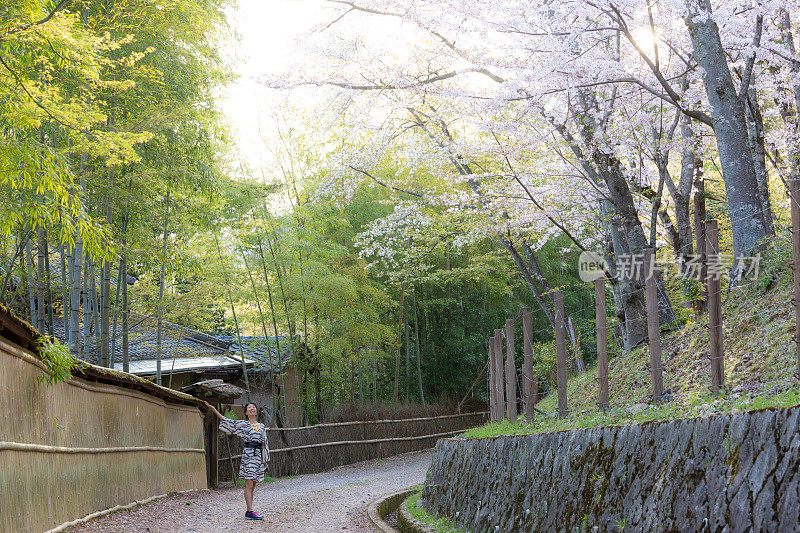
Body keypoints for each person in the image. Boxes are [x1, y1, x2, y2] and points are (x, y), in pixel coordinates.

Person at [203, 400, 270, 520]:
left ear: (256, 411)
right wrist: (214, 410)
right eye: (249, 407)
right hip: (248, 455)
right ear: (246, 412)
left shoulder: (262, 427)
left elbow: (265, 444)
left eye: (254, 407)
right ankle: (250, 511)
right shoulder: (243, 425)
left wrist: (265, 461)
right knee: (249, 483)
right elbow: (228, 421)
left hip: (258, 456)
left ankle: (249, 510)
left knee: (253, 484)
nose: (252, 408)